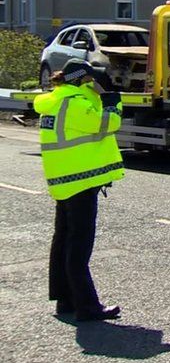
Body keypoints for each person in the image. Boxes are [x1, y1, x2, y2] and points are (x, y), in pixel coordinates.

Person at [33, 59, 124, 321]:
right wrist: (111, 100)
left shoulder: (56, 100)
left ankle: (65, 300)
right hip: (80, 181)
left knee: (63, 239)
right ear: (82, 79)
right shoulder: (74, 102)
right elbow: (108, 124)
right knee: (79, 245)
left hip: (63, 179)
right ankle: (87, 306)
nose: (94, 82)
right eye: (91, 78)